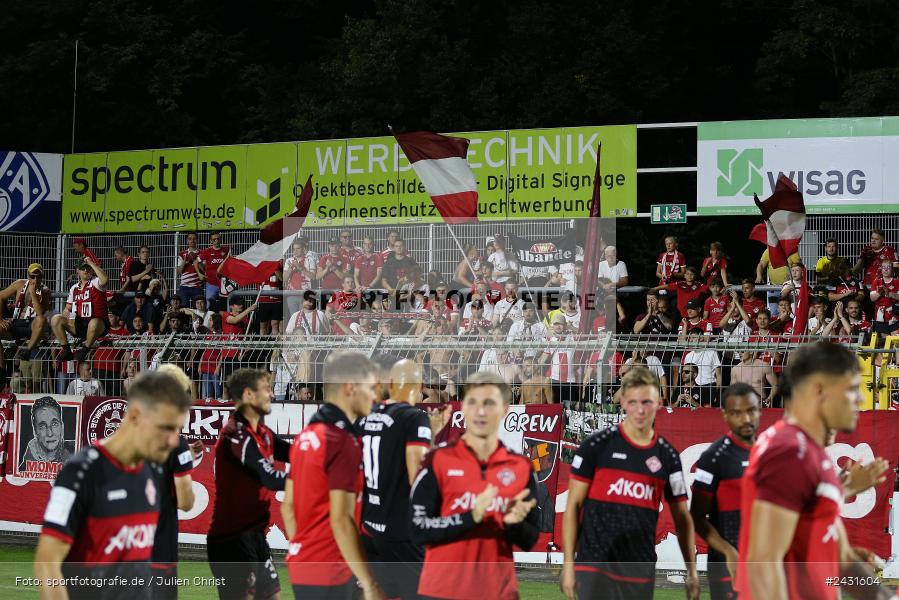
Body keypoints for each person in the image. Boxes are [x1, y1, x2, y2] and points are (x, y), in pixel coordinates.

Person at [737, 341, 891, 600]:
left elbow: (840, 559)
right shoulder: (787, 452)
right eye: (852, 389)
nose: (861, 398)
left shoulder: (812, 455)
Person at [33, 371, 192, 600]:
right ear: (136, 416)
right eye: (166, 427)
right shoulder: (82, 471)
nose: (174, 440)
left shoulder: (151, 473)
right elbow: (47, 564)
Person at [561, 367, 699, 600]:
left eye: (647, 401)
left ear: (657, 402)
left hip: (638, 565)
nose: (640, 409)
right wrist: (567, 563)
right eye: (633, 402)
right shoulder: (595, 446)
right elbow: (573, 507)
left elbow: (682, 517)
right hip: (595, 562)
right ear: (623, 402)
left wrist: (692, 570)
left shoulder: (667, 456)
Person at [411, 372, 540, 600]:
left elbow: (529, 540)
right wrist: (471, 516)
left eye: (489, 403)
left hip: (498, 593)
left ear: (505, 410)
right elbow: (418, 530)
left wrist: (513, 525)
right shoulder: (437, 460)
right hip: (441, 592)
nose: (480, 411)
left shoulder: (521, 467)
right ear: (463, 407)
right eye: (473, 402)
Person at [282, 351, 385, 600]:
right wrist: (368, 582)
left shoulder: (306, 435)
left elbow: (288, 507)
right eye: (370, 388)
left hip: (304, 564)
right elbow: (341, 519)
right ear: (351, 387)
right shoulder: (342, 442)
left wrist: (307, 551)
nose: (374, 397)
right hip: (333, 569)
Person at [208, 368, 290, 600]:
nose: (272, 395)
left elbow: (298, 453)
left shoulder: (262, 432)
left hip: (255, 536)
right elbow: (270, 478)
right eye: (267, 389)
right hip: (232, 539)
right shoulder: (236, 434)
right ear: (248, 395)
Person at [356, 359, 434, 599]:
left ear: (390, 383)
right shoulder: (414, 418)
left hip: (369, 529)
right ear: (420, 385)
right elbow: (417, 476)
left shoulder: (364, 417)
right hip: (401, 534)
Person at [690, 383, 760, 600]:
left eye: (751, 411)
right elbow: (697, 518)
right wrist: (728, 551)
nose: (746, 419)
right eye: (737, 413)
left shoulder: (771, 453)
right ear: (725, 416)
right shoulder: (714, 457)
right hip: (728, 567)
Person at [150, 364, 203, 600]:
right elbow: (185, 502)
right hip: (159, 547)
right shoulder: (174, 442)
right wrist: (184, 463)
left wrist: (185, 456)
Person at [51, 258, 109, 362]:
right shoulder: (74, 288)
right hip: (80, 325)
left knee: (94, 322)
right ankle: (66, 350)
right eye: (83, 268)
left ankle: (84, 350)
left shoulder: (96, 283)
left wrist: (91, 263)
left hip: (98, 325)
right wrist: (67, 325)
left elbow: (104, 279)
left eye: (88, 268)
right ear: (77, 270)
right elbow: (67, 309)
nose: (86, 270)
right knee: (56, 319)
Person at [0, 262, 52, 361]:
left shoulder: (45, 291)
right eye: (33, 276)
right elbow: (0, 296)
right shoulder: (19, 284)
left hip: (32, 326)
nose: (36, 279)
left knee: (41, 319)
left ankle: (27, 352)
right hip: (17, 322)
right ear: (28, 276)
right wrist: (0, 319)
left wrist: (32, 293)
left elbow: (40, 313)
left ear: (42, 277)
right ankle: (1, 368)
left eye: (39, 276)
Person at [18, 395, 75, 470]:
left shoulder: (77, 450)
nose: (50, 433)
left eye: (54, 424)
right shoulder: (25, 469)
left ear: (62, 426)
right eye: (42, 426)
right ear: (35, 431)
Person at [283, 236, 319, 316]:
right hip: (292, 294)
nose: (295, 251)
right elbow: (284, 279)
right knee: (294, 318)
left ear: (303, 249)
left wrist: (300, 268)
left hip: (306, 295)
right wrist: (290, 269)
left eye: (298, 248)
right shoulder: (289, 261)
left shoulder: (310, 260)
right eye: (294, 249)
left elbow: (313, 277)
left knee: (305, 319)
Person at [197, 232, 230, 306]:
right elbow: (197, 262)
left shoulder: (226, 249)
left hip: (224, 284)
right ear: (211, 241)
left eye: (218, 239)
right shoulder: (207, 251)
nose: (216, 241)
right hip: (211, 284)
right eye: (214, 239)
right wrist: (202, 272)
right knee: (209, 305)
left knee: (225, 305)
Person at [869, 258, 899, 333]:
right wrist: (879, 293)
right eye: (884, 267)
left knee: (895, 342)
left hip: (895, 316)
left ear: (892, 269)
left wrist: (888, 293)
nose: (886, 270)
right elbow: (872, 299)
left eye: (888, 267)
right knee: (884, 342)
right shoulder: (876, 282)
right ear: (881, 270)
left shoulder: (897, 282)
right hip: (880, 317)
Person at [177, 231, 205, 307]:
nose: (192, 241)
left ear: (197, 240)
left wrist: (198, 262)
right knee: (183, 308)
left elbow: (204, 270)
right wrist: (184, 262)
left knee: (198, 309)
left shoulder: (202, 253)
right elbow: (178, 272)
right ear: (187, 241)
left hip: (197, 287)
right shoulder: (182, 254)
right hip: (184, 287)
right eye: (190, 239)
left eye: (194, 239)